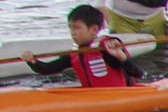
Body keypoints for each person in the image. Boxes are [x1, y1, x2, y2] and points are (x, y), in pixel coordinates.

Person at [24, 6, 152, 89]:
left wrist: (120, 56)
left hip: (121, 97)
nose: (73, 32)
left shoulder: (107, 48)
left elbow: (138, 73)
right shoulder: (75, 52)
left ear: (93, 29)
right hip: (94, 98)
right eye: (70, 27)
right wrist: (32, 61)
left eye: (77, 28)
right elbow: (49, 69)